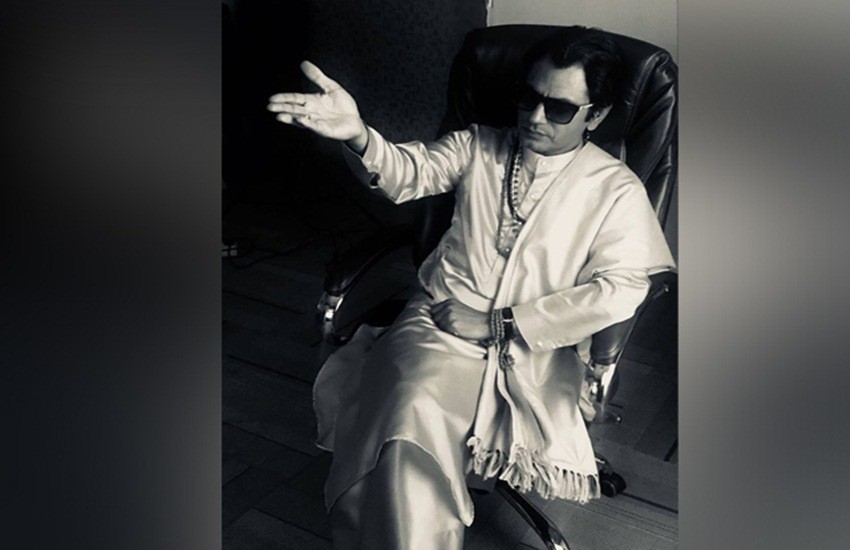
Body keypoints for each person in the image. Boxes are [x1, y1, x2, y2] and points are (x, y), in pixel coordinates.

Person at [268, 27, 675, 550]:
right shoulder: (477, 145)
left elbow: (621, 289)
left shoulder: (615, 189)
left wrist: (501, 324)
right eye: (528, 97)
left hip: (536, 350)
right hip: (439, 322)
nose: (535, 117)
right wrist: (358, 135)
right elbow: (409, 173)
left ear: (596, 116)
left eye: (559, 109)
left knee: (410, 431)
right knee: (406, 426)